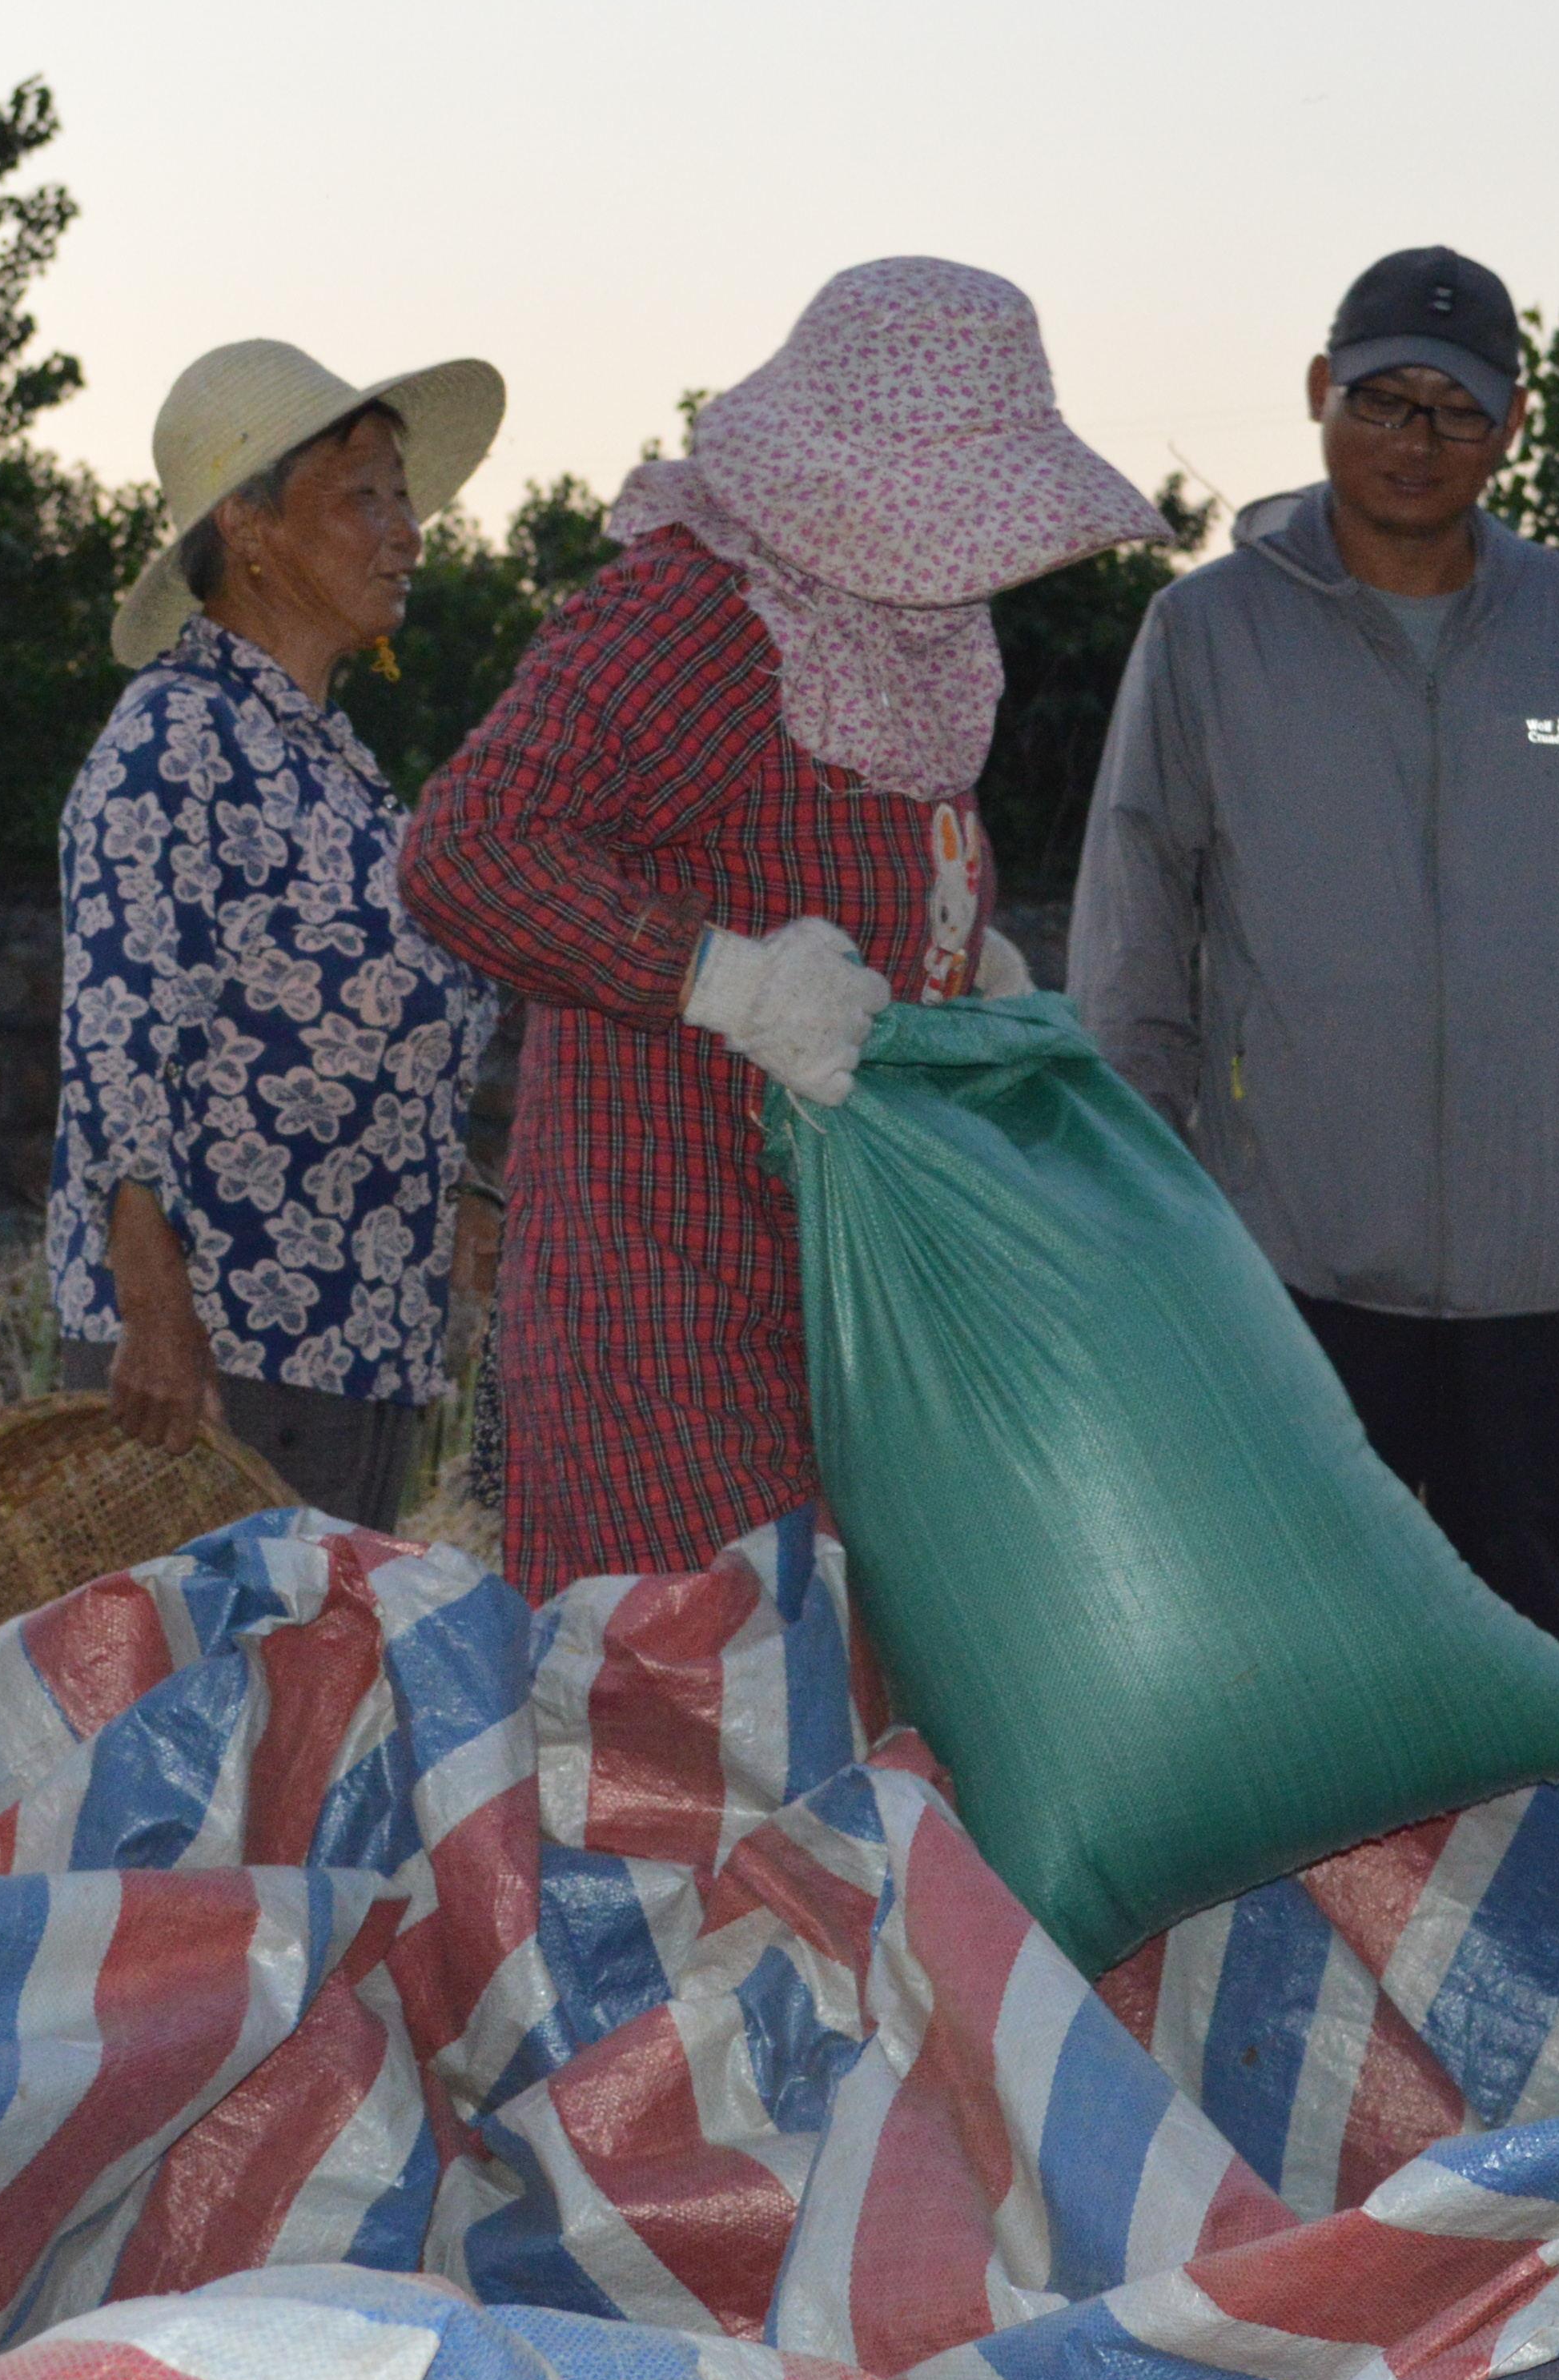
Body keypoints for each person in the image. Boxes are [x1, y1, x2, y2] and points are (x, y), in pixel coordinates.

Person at [398, 257, 1161, 1595]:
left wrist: (958, 962)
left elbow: (838, 861)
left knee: (825, 1741)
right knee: (690, 1731)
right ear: (867, 477)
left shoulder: (908, 644)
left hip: (838, 1295)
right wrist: (718, 981)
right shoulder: (696, 615)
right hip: (667, 1302)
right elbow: (466, 848)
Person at [1067, 246, 1559, 1668]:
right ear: (1319, 394)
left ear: (1512, 427)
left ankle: (1546, 1891)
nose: (1413, 442)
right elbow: (1138, 923)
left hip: (1532, 1259)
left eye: (1454, 410)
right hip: (1294, 1250)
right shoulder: (1209, 628)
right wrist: (1127, 1172)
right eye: (1381, 401)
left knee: (1541, 1646)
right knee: (1305, 1646)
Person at [50, 339, 508, 1529]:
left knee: (317, 1718)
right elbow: (116, 1043)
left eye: (403, 499)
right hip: (217, 1367)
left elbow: (321, 1045)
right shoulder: (174, 740)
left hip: (360, 1355)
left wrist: (456, 1201)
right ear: (246, 528)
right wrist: (154, 1318)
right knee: (192, 1709)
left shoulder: (337, 772)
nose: (406, 532)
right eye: (365, 496)